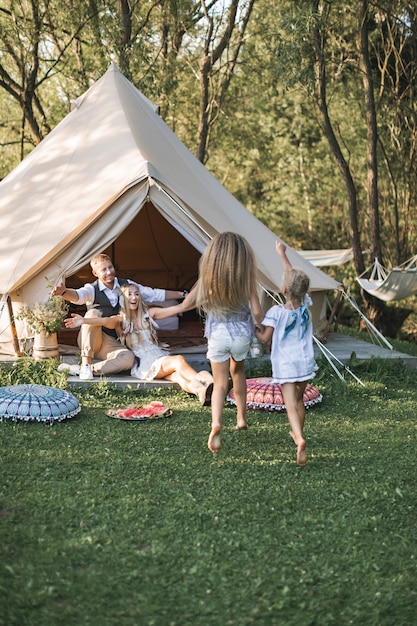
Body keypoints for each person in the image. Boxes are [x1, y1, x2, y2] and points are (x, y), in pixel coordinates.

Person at [63, 283, 214, 405]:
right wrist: (83, 320)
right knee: (178, 360)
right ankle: (207, 383)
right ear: (123, 299)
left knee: (177, 377)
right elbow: (104, 321)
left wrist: (201, 288)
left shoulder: (150, 314)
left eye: (136, 294)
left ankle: (201, 392)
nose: (134, 297)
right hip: (144, 362)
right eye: (129, 294)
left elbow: (181, 307)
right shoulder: (120, 320)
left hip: (158, 355)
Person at [51, 253, 186, 379]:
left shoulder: (126, 284)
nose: (109, 272)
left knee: (128, 359)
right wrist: (64, 292)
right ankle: (85, 364)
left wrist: (182, 294)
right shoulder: (92, 289)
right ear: (95, 273)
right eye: (103, 270)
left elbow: (153, 294)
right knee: (93, 313)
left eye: (110, 267)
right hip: (95, 338)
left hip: (112, 342)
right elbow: (78, 296)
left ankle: (82, 370)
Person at [194, 232, 264, 453]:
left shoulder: (209, 280)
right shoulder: (246, 280)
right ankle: (241, 418)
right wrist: (264, 327)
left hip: (217, 335)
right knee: (239, 372)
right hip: (242, 335)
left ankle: (216, 423)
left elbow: (193, 302)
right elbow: (257, 311)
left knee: (220, 383)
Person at [255, 241, 318, 466]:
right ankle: (298, 433)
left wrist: (254, 329)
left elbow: (264, 339)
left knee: (290, 404)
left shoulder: (276, 313)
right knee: (299, 401)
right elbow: (293, 278)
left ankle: (299, 438)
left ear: (283, 290)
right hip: (305, 363)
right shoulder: (305, 307)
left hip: (286, 365)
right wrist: (282, 254)